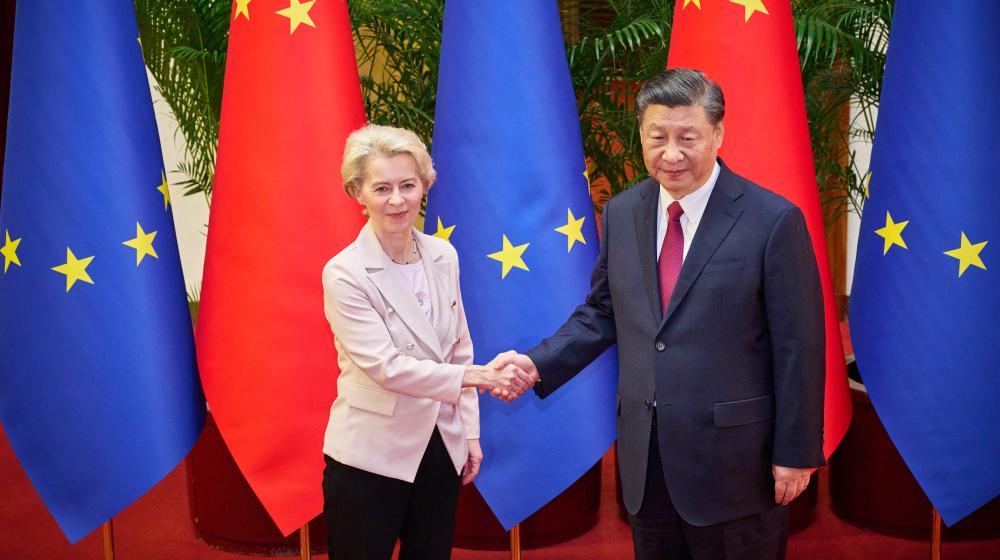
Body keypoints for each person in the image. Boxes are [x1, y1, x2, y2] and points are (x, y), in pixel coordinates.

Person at [494, 69, 826, 559]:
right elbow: (604, 311)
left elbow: (799, 345)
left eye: (687, 138)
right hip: (646, 464)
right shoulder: (624, 212)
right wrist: (538, 362)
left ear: (718, 134)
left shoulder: (772, 220)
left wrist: (795, 454)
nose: (671, 154)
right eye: (658, 138)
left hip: (737, 467)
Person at [321, 124, 531, 560]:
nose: (397, 200)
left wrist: (469, 433)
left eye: (407, 185)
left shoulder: (443, 254)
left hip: (440, 446)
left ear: (424, 186)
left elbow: (459, 346)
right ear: (358, 193)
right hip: (371, 456)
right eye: (381, 188)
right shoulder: (344, 273)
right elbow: (386, 367)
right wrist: (481, 378)